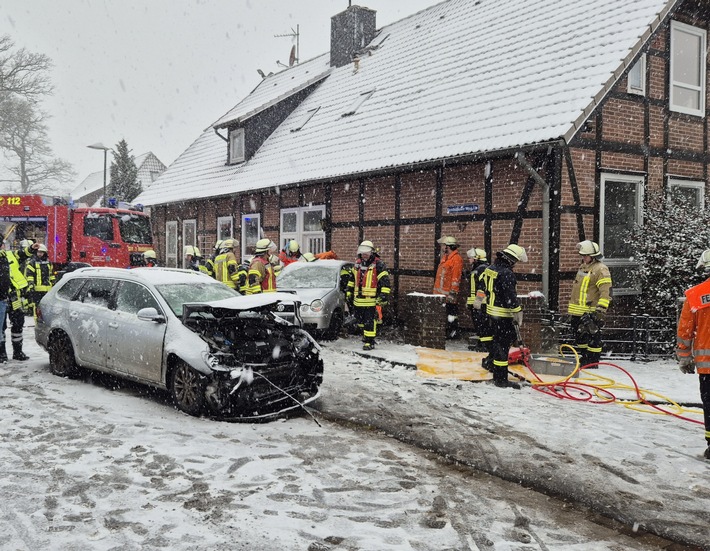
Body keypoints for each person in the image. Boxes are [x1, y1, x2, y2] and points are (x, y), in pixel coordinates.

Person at [676, 249, 710, 460]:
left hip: (707, 366)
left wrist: (684, 358)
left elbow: (685, 332)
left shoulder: (695, 295)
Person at [480, 244, 527, 388]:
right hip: (503, 316)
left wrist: (479, 301)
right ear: (512, 260)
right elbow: (510, 296)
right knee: (503, 347)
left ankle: (492, 366)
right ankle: (501, 380)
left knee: (496, 344)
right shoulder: (506, 273)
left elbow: (482, 286)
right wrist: (517, 311)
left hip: (490, 314)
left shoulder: (490, 269)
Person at [567, 240, 612, 368]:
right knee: (580, 336)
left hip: (591, 310)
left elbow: (605, 291)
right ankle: (585, 357)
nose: (583, 258)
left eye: (585, 256)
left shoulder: (601, 269)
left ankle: (593, 362)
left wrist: (599, 310)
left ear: (593, 256)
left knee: (593, 336)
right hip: (578, 311)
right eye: (582, 255)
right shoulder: (583, 267)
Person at [345, 240, 391, 351]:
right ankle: (365, 336)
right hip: (358, 300)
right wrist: (349, 291)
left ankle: (369, 341)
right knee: (360, 322)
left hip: (371, 300)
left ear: (372, 253)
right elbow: (352, 279)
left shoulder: (378, 264)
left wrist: (383, 295)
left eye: (367, 253)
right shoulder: (357, 264)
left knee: (369, 321)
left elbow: (384, 281)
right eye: (362, 253)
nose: (364, 255)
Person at [0, 240, 38, 362]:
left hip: (14, 296)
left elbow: (22, 254)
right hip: (2, 297)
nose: (4, 246)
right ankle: (2, 354)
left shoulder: (9, 255)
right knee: (1, 327)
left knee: (18, 323)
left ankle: (17, 352)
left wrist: (31, 248)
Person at [433, 236, 464, 339]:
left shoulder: (456, 259)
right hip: (440, 294)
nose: (442, 247)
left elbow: (456, 278)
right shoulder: (446, 258)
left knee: (451, 315)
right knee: (445, 315)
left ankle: (453, 332)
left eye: (443, 245)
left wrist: (453, 293)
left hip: (448, 295)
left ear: (448, 246)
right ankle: (448, 332)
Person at [466, 247, 491, 356]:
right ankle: (482, 344)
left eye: (471, 257)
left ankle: (485, 346)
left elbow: (482, 286)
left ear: (477, 258)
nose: (469, 259)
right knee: (480, 325)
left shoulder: (481, 269)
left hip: (481, 304)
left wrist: (478, 301)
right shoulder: (478, 268)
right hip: (477, 303)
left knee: (483, 326)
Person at [24, 243, 55, 316]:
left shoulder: (48, 263)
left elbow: (51, 275)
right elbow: (29, 275)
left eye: (41, 252)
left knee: (47, 308)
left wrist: (54, 283)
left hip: (47, 290)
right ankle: (37, 323)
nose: (40, 254)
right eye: (38, 252)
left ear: (44, 253)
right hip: (37, 290)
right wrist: (31, 285)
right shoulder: (32, 263)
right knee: (37, 308)